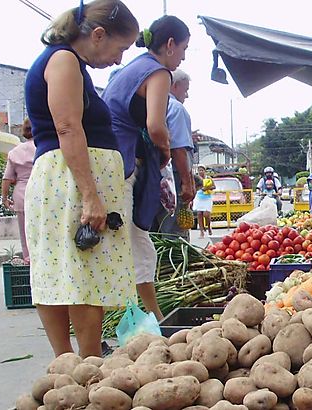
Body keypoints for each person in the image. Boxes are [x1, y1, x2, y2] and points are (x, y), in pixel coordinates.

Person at [23, 0, 139, 358]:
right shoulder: (64, 60)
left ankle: (71, 367)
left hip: (66, 180)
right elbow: (68, 127)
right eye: (120, 49)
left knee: (64, 274)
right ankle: (83, 364)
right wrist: (91, 195)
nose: (119, 60)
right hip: (70, 184)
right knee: (82, 276)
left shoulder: (66, 62)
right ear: (99, 35)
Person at [102, 14, 190, 321]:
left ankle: (151, 317)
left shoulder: (133, 67)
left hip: (109, 160)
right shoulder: (159, 72)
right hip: (119, 163)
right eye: (183, 48)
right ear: (169, 44)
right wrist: (164, 148)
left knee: (135, 242)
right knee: (126, 244)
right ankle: (146, 317)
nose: (183, 56)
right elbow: (155, 125)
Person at [152, 68, 196, 238]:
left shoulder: (153, 105)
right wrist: (187, 182)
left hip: (155, 177)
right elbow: (178, 149)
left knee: (155, 231)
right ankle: (174, 264)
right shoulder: (176, 108)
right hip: (174, 180)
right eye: (185, 90)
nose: (186, 96)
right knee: (174, 233)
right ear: (175, 86)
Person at [1, 118, 37, 263]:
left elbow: (7, 178)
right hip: (41, 193)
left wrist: (4, 198)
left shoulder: (14, 152)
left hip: (21, 195)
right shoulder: (44, 148)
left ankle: (28, 261)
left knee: (25, 233)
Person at [193, 165, 214, 238]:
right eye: (199, 170)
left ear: (205, 171)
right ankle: (201, 232)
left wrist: (207, 188)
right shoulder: (196, 178)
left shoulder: (208, 178)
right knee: (199, 214)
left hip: (207, 198)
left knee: (206, 215)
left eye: (202, 170)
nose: (201, 172)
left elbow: (214, 186)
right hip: (199, 197)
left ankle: (208, 227)